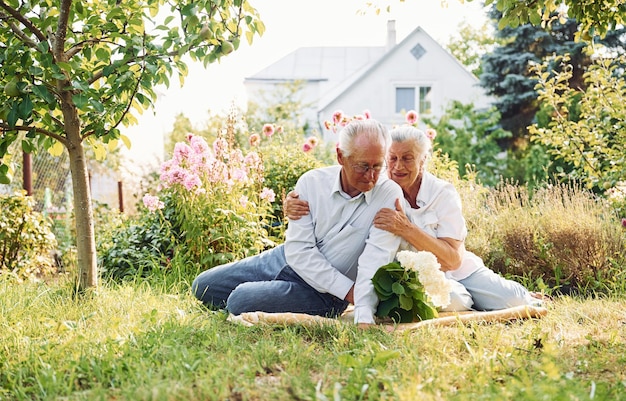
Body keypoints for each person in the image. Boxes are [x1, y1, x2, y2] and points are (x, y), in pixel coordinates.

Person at [285, 125, 543, 312]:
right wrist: (293, 202)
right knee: (455, 301)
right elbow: (341, 181)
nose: (398, 167)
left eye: (407, 158)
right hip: (414, 275)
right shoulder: (377, 186)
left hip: (458, 270)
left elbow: (453, 260)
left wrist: (407, 229)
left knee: (515, 303)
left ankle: (513, 294)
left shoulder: (442, 193)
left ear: (423, 160)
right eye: (392, 159)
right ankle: (473, 302)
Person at [192, 119, 404, 325]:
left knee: (240, 300)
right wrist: (353, 294)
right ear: (340, 156)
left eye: (378, 166)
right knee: (202, 286)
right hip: (285, 259)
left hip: (327, 293)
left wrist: (361, 304)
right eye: (362, 166)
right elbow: (299, 251)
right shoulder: (311, 182)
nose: (371, 176)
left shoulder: (388, 194)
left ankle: (270, 294)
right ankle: (273, 289)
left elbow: (376, 256)